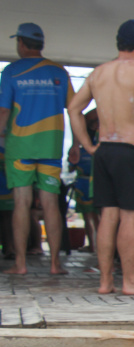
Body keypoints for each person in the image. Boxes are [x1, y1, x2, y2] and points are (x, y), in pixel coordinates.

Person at [67, 19, 134, 295]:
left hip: (104, 150)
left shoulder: (98, 73)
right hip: (131, 149)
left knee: (108, 216)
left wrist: (87, 144)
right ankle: (130, 280)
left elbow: (74, 109)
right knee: (130, 218)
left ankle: (105, 281)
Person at [0, 23, 76, 275]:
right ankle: (55, 264)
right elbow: (74, 110)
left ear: (21, 43)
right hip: (50, 146)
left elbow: (3, 111)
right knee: (50, 203)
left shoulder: (11, 71)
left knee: (21, 203)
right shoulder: (59, 72)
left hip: (20, 147)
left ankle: (20, 264)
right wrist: (77, 144)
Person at [68, 109, 100, 253]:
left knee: (96, 217)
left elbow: (71, 167)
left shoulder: (96, 143)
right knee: (90, 217)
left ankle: (97, 246)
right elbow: (71, 167)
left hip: (93, 183)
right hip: (84, 184)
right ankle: (93, 246)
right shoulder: (81, 145)